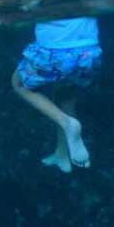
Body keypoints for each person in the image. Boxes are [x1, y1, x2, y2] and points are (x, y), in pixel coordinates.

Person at [11, 17, 102, 172]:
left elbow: (19, 21)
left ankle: (67, 124)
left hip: (56, 53)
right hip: (89, 54)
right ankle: (62, 154)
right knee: (65, 96)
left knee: (18, 84)